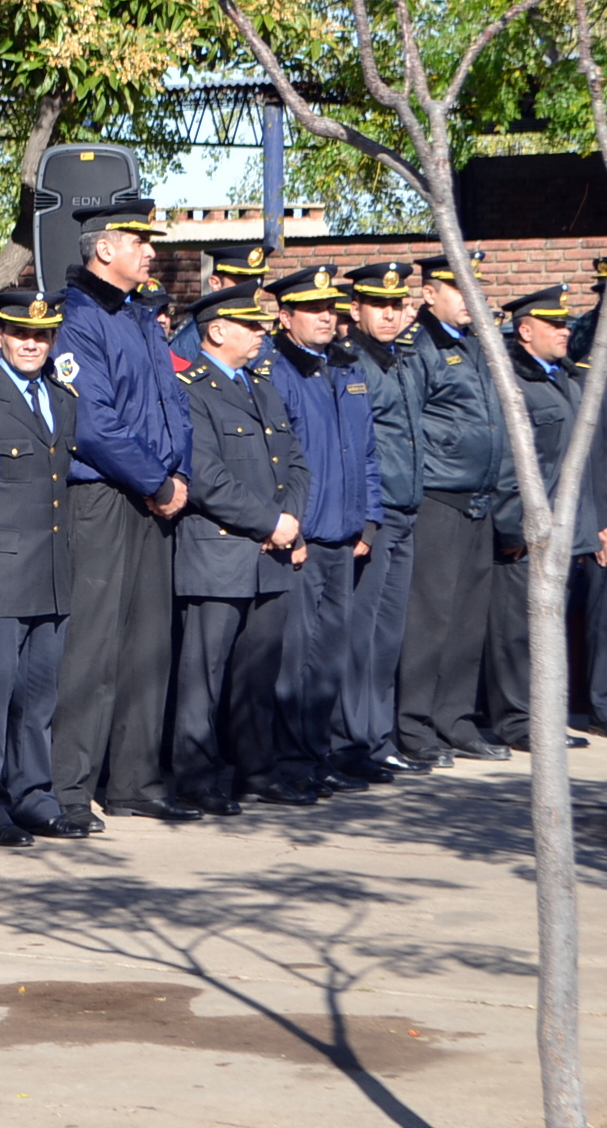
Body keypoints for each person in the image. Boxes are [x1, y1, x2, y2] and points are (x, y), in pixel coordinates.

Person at [49, 200, 195, 829]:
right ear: (103, 249)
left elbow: (172, 405)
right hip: (105, 495)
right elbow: (93, 423)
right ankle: (69, 788)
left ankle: (135, 777)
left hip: (155, 493)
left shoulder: (139, 316)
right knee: (94, 646)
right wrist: (155, 479)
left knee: (145, 647)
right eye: (138, 241)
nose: (150, 252)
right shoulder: (77, 316)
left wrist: (177, 473)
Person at [169, 286, 311, 810]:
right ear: (217, 330)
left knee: (258, 672)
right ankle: (196, 778)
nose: (261, 334)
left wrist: (290, 523)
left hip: (270, 552)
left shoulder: (262, 387)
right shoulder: (191, 389)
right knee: (203, 675)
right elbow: (205, 477)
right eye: (251, 326)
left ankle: (256, 770)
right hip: (220, 552)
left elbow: (294, 461)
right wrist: (269, 521)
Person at [0, 289, 81, 845]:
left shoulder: (64, 396)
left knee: (39, 697)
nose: (32, 344)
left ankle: (34, 794)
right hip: (1, 568)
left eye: (42, 335)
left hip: (53, 567)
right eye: (21, 334)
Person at [262, 266, 382, 798]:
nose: (325, 317)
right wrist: (296, 529)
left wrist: (369, 518)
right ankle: (289, 758)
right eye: (313, 309)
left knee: (330, 654)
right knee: (296, 658)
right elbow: (279, 461)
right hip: (304, 537)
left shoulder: (346, 367)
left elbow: (368, 453)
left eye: (330, 309)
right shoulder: (277, 370)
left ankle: (316, 753)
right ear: (285, 317)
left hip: (345, 532)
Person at [399, 252, 509, 765]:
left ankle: (455, 718)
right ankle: (415, 723)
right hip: (439, 498)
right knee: (431, 618)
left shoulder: (477, 345)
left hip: (479, 498)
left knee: (467, 619)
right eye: (460, 290)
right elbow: (409, 423)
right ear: (429, 294)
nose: (473, 300)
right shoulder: (419, 347)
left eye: (476, 289)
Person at [483, 287, 603, 752]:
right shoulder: (515, 384)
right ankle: (517, 722)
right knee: (516, 632)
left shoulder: (567, 379)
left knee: (547, 632)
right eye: (554, 324)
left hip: (565, 533)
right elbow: (511, 464)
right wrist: (515, 528)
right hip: (528, 534)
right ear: (525, 330)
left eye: (566, 322)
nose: (565, 329)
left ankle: (545, 718)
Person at [340, 263, 430, 778]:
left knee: (387, 636)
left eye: (398, 306)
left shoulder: (400, 359)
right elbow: (358, 449)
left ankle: (378, 736)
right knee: (362, 634)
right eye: (380, 305)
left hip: (407, 507)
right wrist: (367, 520)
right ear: (357, 310)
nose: (391, 314)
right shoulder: (354, 363)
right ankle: (353, 740)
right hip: (378, 513)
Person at [170, 245, 271, 362]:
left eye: (258, 282)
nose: (252, 290)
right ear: (215, 284)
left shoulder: (262, 336)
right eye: (242, 284)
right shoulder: (189, 340)